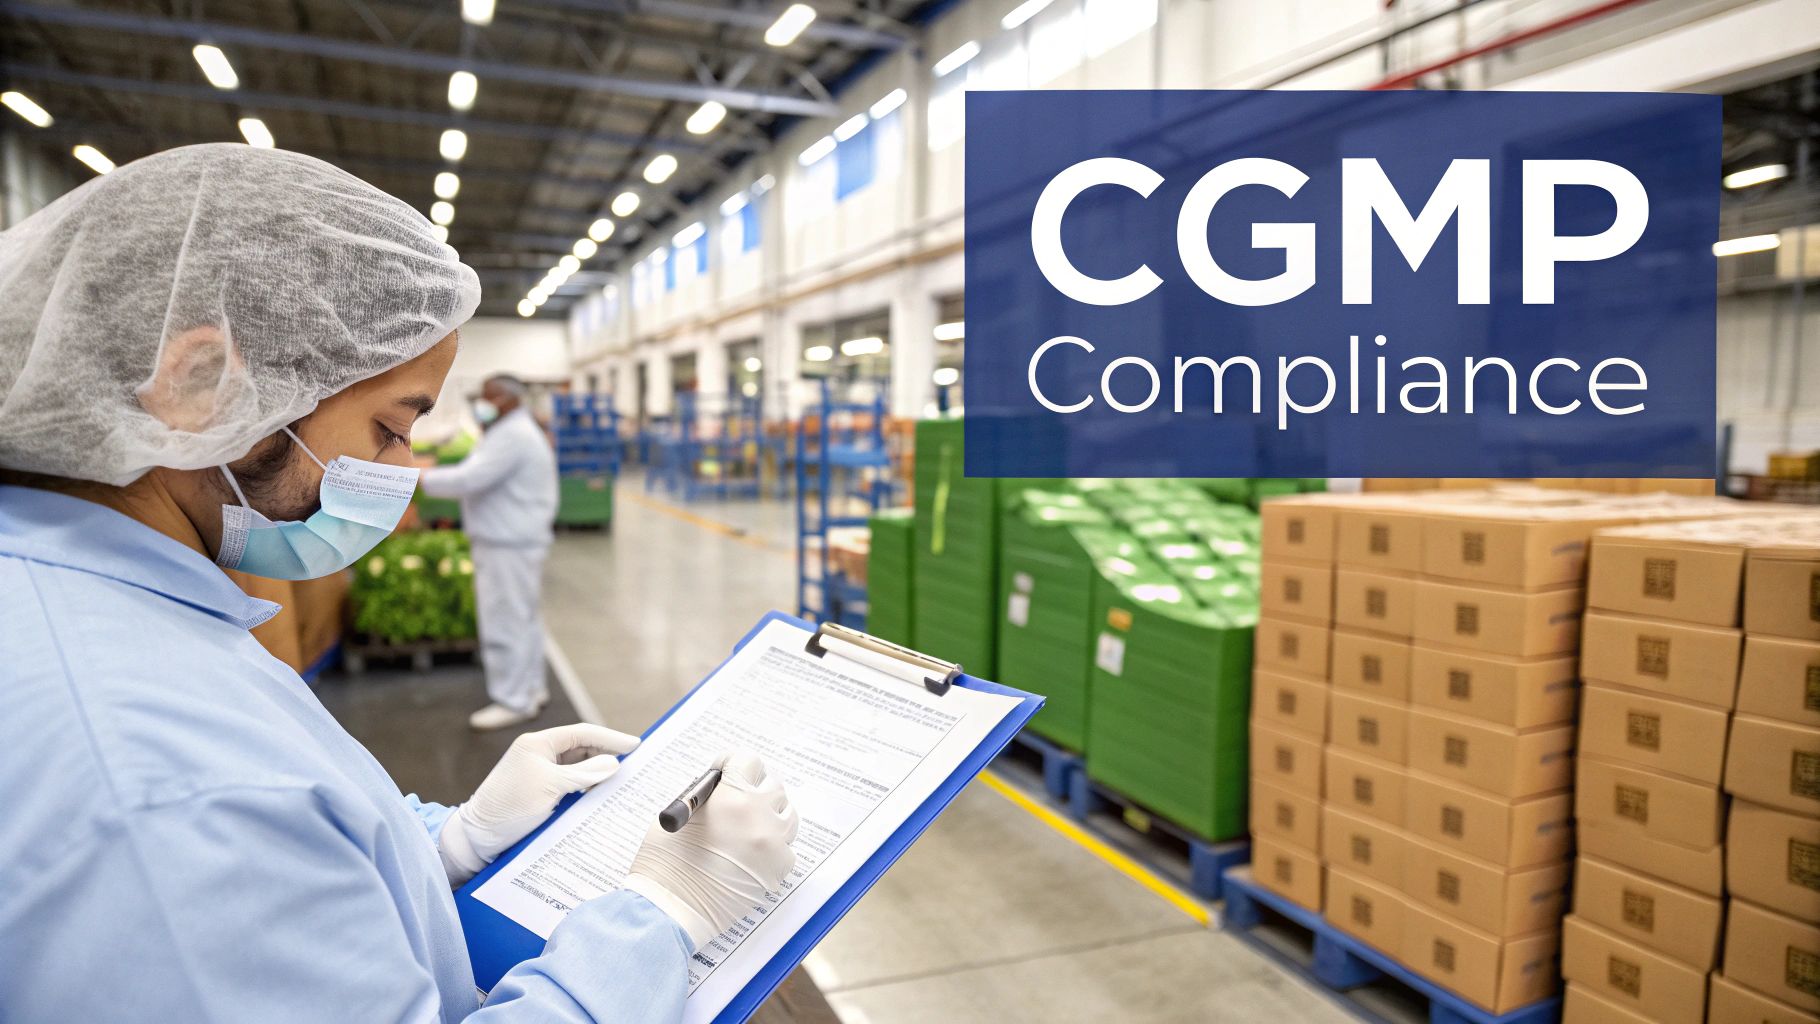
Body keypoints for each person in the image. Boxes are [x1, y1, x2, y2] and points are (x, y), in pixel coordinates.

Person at [0, 144, 797, 1021]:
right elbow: (231, 833)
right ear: (198, 386)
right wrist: (661, 920)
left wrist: (444, 843)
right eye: (389, 426)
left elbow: (291, 874)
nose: (401, 465)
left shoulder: (86, 598)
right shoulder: (165, 793)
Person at [419, 373, 561, 730]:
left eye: (488, 397)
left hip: (507, 543)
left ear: (507, 399)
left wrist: (414, 478)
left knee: (504, 620)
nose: (481, 404)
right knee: (523, 618)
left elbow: (469, 479)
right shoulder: (513, 430)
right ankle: (531, 689)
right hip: (516, 539)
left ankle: (513, 701)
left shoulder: (512, 435)